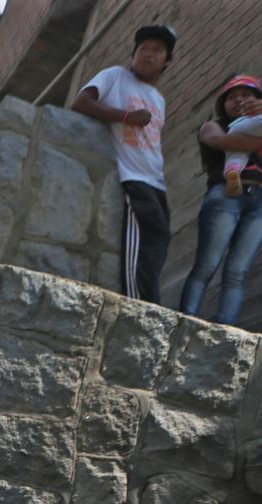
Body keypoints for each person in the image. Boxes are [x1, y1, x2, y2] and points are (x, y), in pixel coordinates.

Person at [177, 76, 262, 327]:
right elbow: (221, 142)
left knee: (238, 271)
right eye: (232, 97)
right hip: (226, 194)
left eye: (247, 95)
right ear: (223, 104)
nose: (239, 100)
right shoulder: (214, 125)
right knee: (207, 264)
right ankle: (184, 320)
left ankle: (226, 327)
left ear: (259, 101)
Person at [73, 24, 176, 303]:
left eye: (157, 50)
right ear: (133, 56)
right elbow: (81, 102)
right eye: (143, 49)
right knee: (143, 237)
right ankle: (139, 304)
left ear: (166, 61)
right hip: (133, 177)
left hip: (156, 180)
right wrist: (126, 117)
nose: (148, 54)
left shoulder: (159, 99)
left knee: (161, 237)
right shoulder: (115, 76)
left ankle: (148, 301)